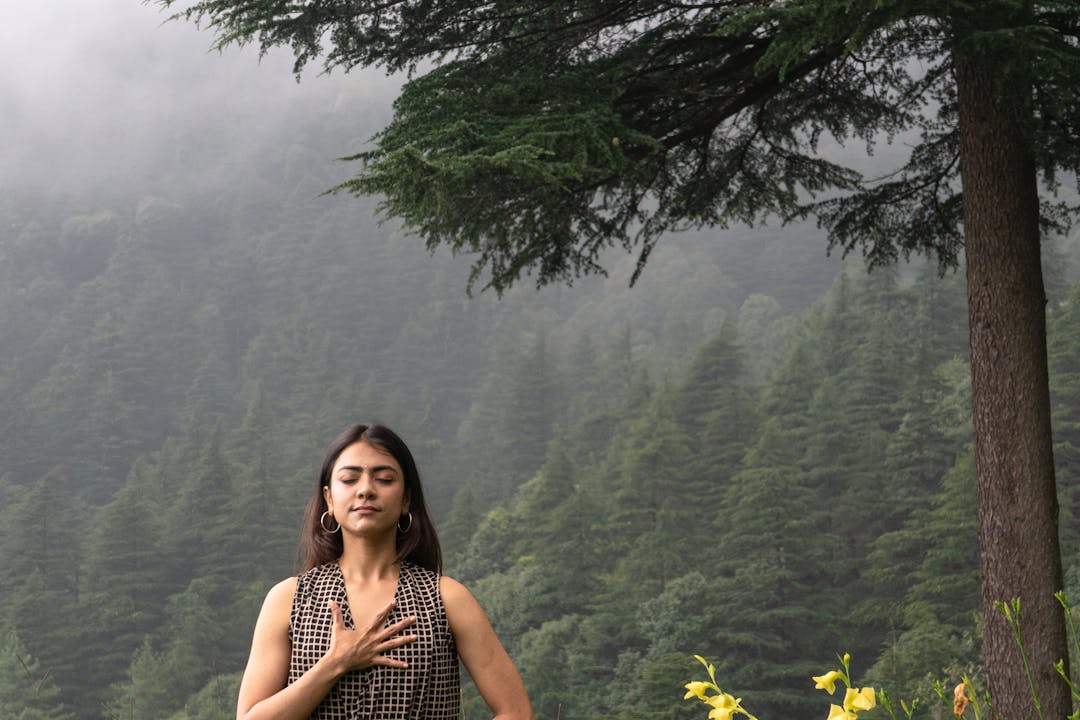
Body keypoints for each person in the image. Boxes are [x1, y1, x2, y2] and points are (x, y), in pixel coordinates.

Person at [236, 423, 534, 720]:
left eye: (384, 479)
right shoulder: (289, 599)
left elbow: (516, 711)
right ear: (329, 498)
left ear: (406, 499)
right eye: (349, 479)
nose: (366, 490)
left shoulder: (445, 598)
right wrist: (335, 663)